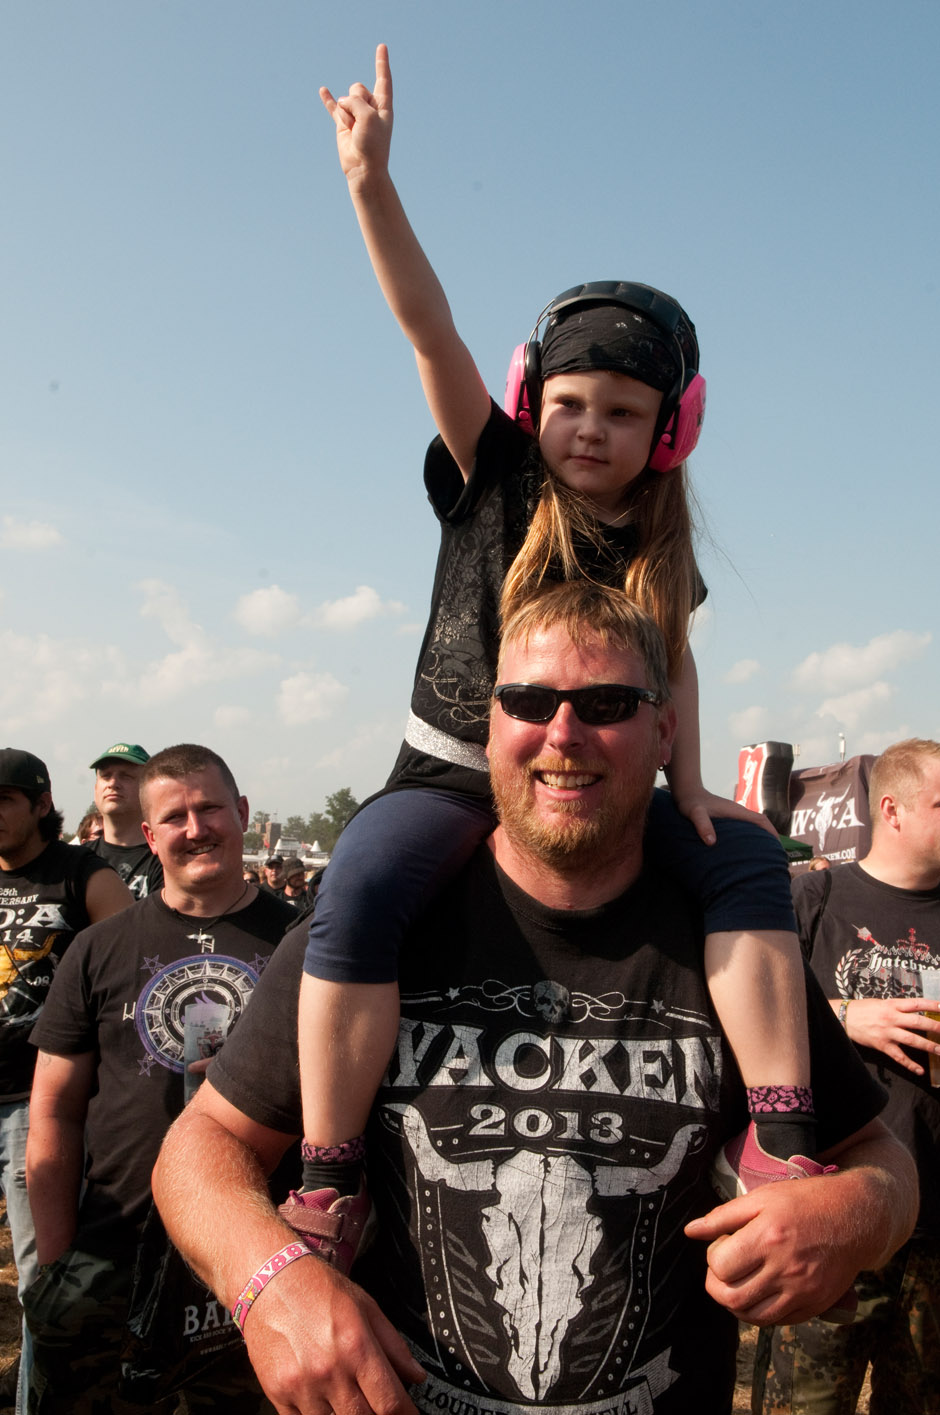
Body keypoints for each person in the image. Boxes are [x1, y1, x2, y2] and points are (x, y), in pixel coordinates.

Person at [153, 584, 917, 1415]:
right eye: (529, 700)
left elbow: (884, 1160)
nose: (563, 732)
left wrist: (850, 1215)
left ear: (666, 730)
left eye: (607, 702)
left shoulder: (736, 953)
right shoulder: (373, 936)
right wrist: (271, 1280)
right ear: (488, 726)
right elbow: (201, 1145)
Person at [294, 43, 817, 1228]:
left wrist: (689, 784)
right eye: (571, 404)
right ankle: (330, 1167)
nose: (590, 429)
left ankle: (778, 1132)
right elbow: (430, 330)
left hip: (604, 777)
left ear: (667, 431)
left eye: (622, 412)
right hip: (450, 768)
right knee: (363, 879)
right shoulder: (497, 473)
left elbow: (669, 661)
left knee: (747, 864)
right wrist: (370, 182)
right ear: (536, 400)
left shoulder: (657, 541)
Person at [24, 744, 296, 1414]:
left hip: (258, 1257)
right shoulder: (99, 946)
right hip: (115, 1248)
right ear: (150, 835)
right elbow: (54, 1113)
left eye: (210, 808)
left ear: (242, 813)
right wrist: (58, 1260)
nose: (196, 827)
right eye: (174, 816)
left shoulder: (306, 941)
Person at [754, 738, 940, 1414]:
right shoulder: (814, 896)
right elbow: (745, 1016)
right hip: (829, 1211)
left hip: (932, 1224)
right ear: (891, 808)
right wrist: (847, 1016)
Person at [0, 748, 132, 1413]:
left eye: (5, 800)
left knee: (40, 1275)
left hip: (36, 1101)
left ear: (41, 803)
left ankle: (39, 1403)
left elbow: (138, 963)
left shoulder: (83, 874)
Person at [86, 741, 163, 900]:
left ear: (148, 789)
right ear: (95, 789)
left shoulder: (167, 856)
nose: (113, 783)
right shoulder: (78, 860)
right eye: (106, 776)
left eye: (126, 776)